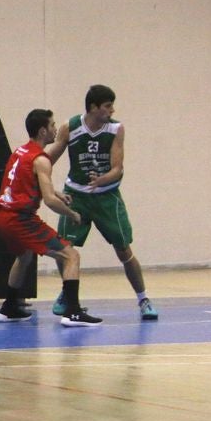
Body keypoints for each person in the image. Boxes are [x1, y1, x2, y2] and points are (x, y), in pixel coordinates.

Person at [50, 85, 157, 321]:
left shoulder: (116, 129)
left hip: (106, 196)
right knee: (64, 248)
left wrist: (103, 179)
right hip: (76, 195)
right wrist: (33, 167)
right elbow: (50, 158)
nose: (112, 110)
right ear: (93, 107)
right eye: (107, 106)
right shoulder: (70, 127)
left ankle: (143, 299)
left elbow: (118, 168)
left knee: (123, 250)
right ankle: (67, 295)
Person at [0, 110, 102, 327]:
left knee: (24, 256)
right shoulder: (40, 159)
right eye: (52, 125)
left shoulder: (20, 151)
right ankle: (72, 312)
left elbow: (23, 184)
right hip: (19, 219)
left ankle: (9, 307)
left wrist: (56, 193)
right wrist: (71, 213)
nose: (55, 129)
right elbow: (50, 201)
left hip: (2, 217)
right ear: (43, 131)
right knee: (70, 256)